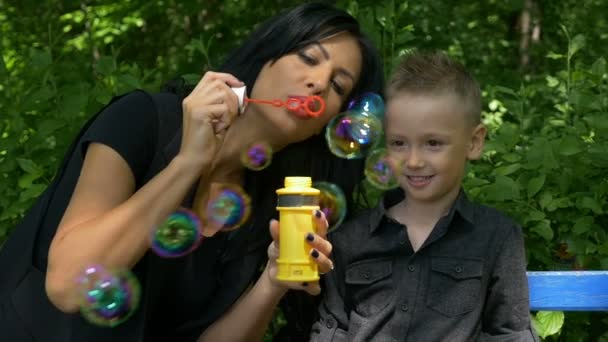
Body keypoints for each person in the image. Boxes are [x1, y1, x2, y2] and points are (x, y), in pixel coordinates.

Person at [0, 3, 384, 341]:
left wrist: (272, 280)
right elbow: (68, 286)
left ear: (331, 120)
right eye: (308, 57)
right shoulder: (143, 121)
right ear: (268, 53)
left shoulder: (272, 208)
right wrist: (189, 163)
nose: (317, 83)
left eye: (337, 85)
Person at [310, 51, 539, 341]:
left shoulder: (497, 236)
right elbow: (331, 332)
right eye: (399, 143)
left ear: (474, 142)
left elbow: (510, 334)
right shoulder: (350, 239)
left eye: (433, 143)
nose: (414, 160)